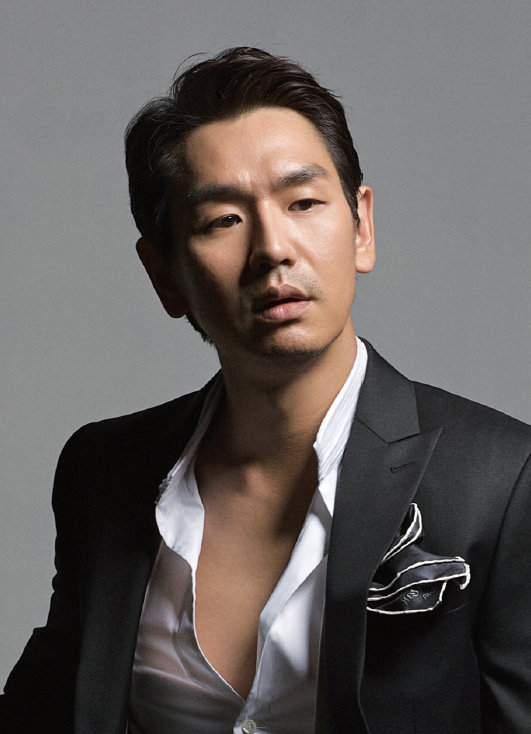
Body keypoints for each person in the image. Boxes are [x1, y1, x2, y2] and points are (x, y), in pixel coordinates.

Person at [1, 47, 530, 734]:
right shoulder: (103, 472)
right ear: (164, 275)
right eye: (222, 220)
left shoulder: (499, 479)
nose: (272, 248)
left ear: (361, 227)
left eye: (303, 202)